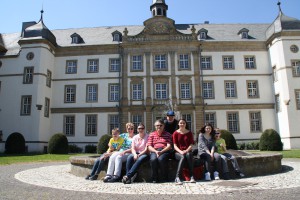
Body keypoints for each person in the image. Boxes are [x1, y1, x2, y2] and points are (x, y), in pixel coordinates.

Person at [173, 119, 196, 185]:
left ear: (186, 124)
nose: (182, 124)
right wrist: (180, 151)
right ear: (178, 124)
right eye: (181, 123)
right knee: (182, 157)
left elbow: (191, 144)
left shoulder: (189, 133)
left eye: (183, 123)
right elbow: (175, 146)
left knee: (189, 155)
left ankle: (192, 176)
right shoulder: (175, 133)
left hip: (187, 151)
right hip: (178, 152)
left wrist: (186, 150)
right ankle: (177, 177)